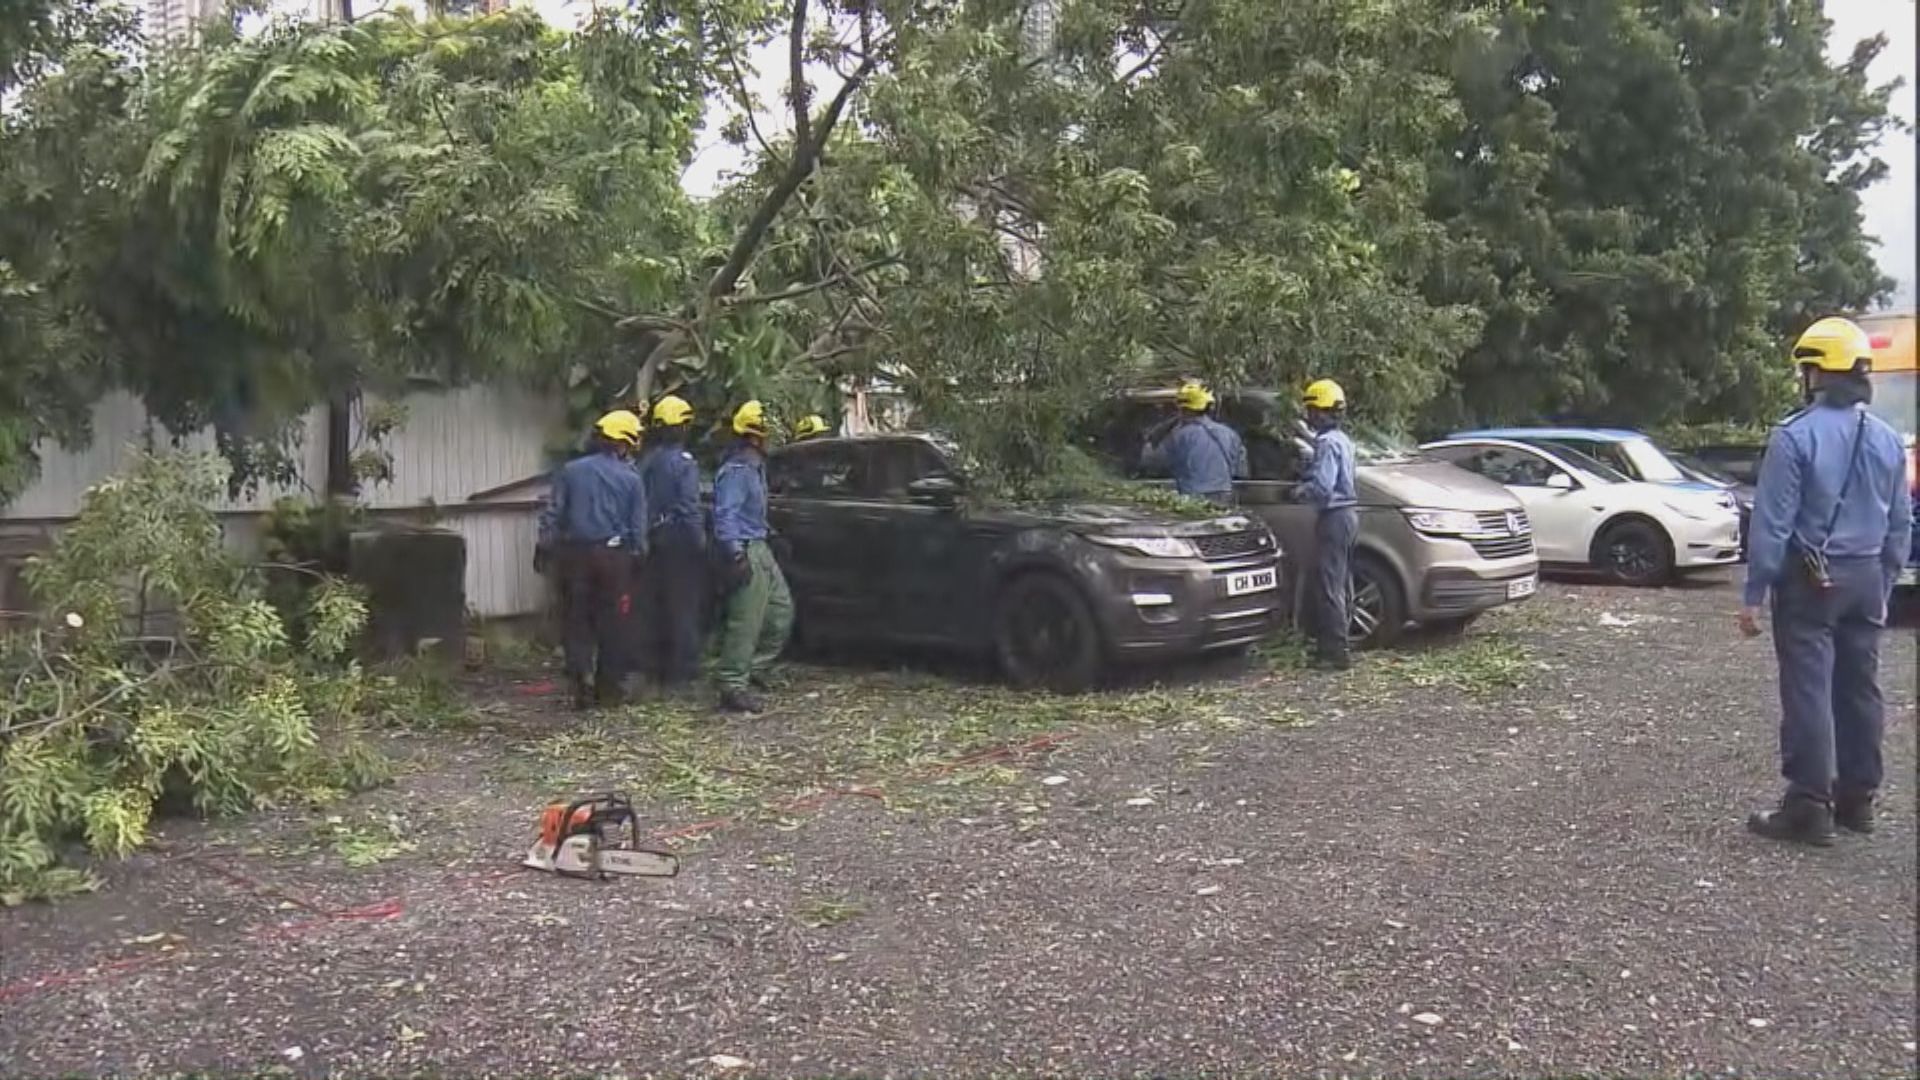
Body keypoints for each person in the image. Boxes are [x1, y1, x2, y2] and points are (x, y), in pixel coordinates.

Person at [1740, 316, 1911, 845]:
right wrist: (1883, 580)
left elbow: (1773, 524)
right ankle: (1858, 800)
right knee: (1860, 688)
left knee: (1809, 688)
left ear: (1817, 374)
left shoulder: (1794, 437)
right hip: (1867, 577)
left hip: (1812, 581)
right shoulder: (1887, 440)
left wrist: (1753, 594)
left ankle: (1808, 805)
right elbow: (1900, 522)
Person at [536, 409, 649, 710]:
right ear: (624, 443)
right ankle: (608, 689)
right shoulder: (631, 479)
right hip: (614, 559)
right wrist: (638, 557)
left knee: (577, 620)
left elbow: (553, 513)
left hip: (575, 557)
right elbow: (637, 527)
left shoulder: (571, 471)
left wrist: (544, 545)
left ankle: (579, 679)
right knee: (614, 623)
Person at [711, 400, 793, 715]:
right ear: (756, 436)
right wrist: (735, 555)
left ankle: (755, 668)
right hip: (745, 548)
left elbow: (749, 512)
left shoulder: (756, 469)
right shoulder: (737, 472)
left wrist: (770, 533)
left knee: (780, 612)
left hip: (760, 544)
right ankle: (732, 685)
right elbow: (726, 515)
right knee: (745, 622)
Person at [635, 395, 706, 695]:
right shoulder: (683, 463)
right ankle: (682, 676)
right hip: (678, 537)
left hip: (652, 537)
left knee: (654, 604)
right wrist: (699, 539)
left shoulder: (646, 461)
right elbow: (689, 506)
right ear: (681, 427)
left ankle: (655, 670)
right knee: (683, 605)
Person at [1292, 378, 1358, 671]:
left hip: (1334, 516)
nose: (1308, 415)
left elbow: (1323, 487)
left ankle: (1334, 653)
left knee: (1329, 585)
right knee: (1342, 582)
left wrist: (1298, 492)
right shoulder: (1343, 440)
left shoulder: (1328, 443)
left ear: (1320, 410)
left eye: (1310, 409)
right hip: (1348, 517)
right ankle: (1340, 644)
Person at [1141, 380, 1247, 504]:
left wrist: (1150, 440)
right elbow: (1242, 471)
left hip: (1192, 499)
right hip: (1225, 496)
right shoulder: (1229, 433)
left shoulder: (1178, 436)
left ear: (1183, 408)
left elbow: (1152, 464)